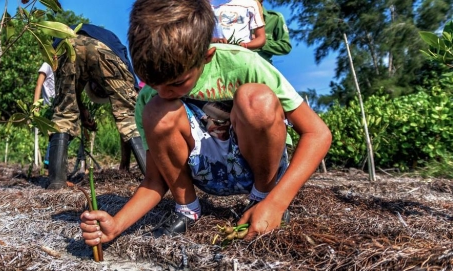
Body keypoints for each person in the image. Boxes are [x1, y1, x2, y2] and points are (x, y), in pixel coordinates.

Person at [80, 0, 331, 244]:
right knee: (156, 109)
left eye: (177, 83)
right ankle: (187, 208)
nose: (164, 92)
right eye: (153, 82)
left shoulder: (244, 63)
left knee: (257, 100)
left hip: (259, 167)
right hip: (206, 173)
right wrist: (116, 225)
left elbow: (317, 134)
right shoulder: (151, 98)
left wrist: (276, 202)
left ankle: (261, 197)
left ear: (207, 56)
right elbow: (155, 180)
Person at [47, 23, 146, 189]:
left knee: (63, 113)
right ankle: (153, 176)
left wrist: (82, 110)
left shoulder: (93, 42)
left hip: (66, 45)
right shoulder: (112, 41)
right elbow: (130, 112)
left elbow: (71, 96)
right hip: (105, 50)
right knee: (129, 116)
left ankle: (56, 183)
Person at [33, 62, 56, 167]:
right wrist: (36, 106)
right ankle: (48, 161)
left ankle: (50, 161)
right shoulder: (47, 65)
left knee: (58, 133)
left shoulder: (63, 63)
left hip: (60, 104)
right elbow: (39, 84)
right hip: (50, 107)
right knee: (56, 133)